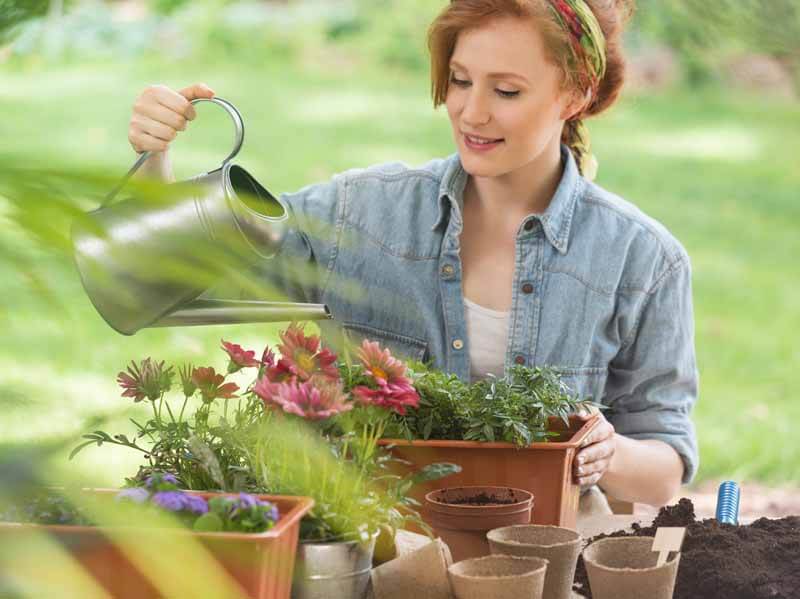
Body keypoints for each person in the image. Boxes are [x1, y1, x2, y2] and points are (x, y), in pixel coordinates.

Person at [126, 0, 697, 510]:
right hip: (370, 545)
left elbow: (664, 468)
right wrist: (156, 159)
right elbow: (171, 277)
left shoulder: (641, 259)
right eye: (459, 80)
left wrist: (607, 452)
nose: (472, 112)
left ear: (575, 94)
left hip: (542, 557)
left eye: (506, 91)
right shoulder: (360, 214)